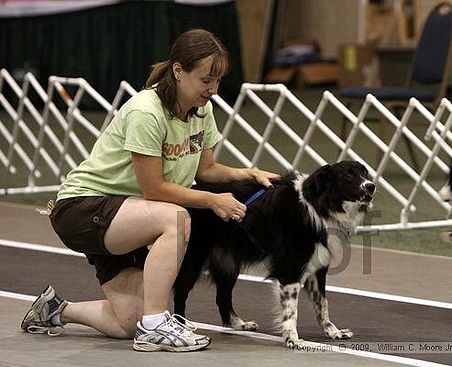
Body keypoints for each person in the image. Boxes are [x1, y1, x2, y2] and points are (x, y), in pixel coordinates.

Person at [20, 28, 278, 352]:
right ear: (178, 71)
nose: (213, 89)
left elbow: (206, 169)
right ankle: (156, 326)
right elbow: (155, 189)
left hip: (129, 213)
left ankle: (56, 310)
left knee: (129, 321)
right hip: (83, 207)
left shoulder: (202, 110)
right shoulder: (147, 111)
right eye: (205, 80)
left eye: (218, 81)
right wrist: (213, 201)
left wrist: (248, 173)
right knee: (176, 219)